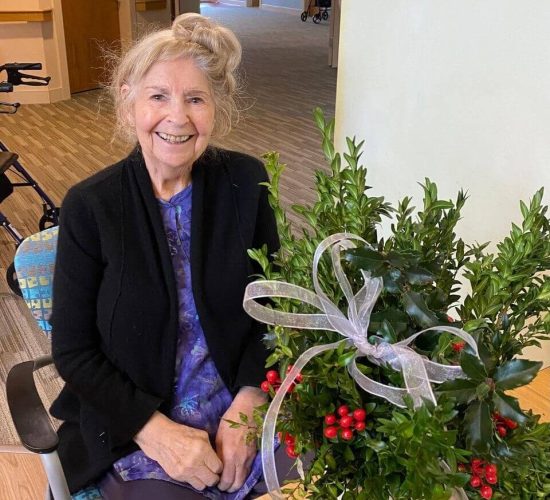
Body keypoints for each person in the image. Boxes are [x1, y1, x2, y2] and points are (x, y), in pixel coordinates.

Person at [50, 13, 281, 499]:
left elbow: (275, 309)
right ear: (127, 98)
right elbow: (74, 352)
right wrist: (158, 434)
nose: (177, 118)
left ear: (216, 106)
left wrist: (250, 400)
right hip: (133, 427)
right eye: (158, 96)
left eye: (195, 98)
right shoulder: (91, 206)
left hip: (239, 406)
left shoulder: (244, 184)